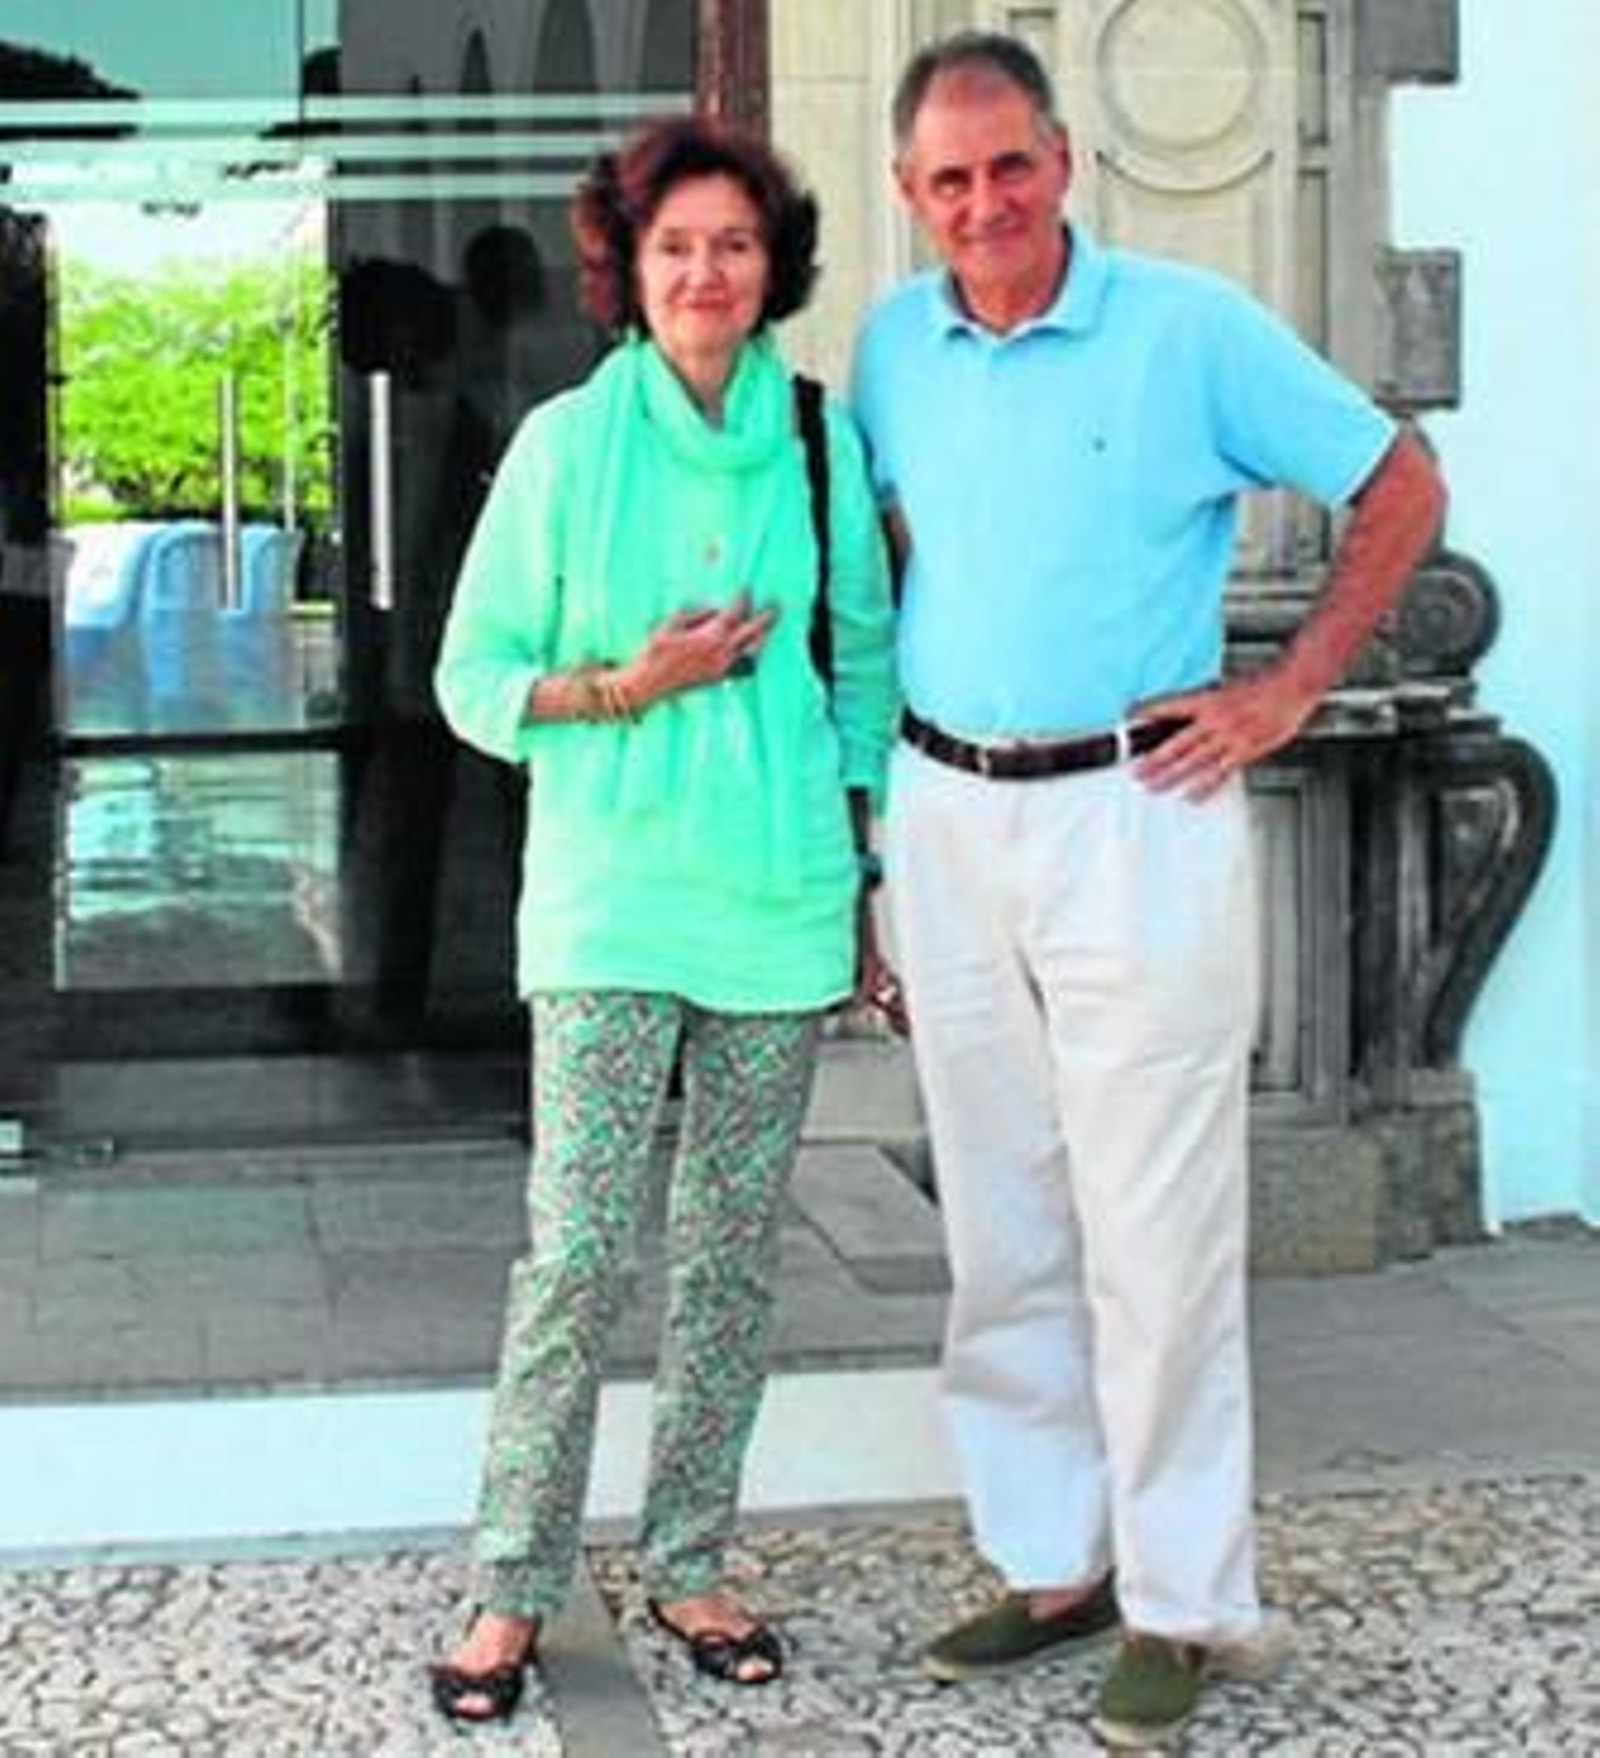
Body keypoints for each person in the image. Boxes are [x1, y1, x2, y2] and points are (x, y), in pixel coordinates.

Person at [851, 31, 1446, 1751]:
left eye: (1009, 165)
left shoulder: (1189, 328)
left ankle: (1186, 1601)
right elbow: (897, 563)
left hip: (1135, 808)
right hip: (949, 809)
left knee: (1157, 1225)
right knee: (1001, 1209)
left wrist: (1291, 688)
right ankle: (1056, 1565)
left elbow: (1398, 480)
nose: (984, 202)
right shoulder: (890, 349)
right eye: (950, 178)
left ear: (1063, 162)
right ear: (908, 193)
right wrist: (874, 847)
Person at [426, 118, 898, 1723]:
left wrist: (868, 876)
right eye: (676, 245)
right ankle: (511, 1580)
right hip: (611, 908)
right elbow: (473, 679)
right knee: (575, 1258)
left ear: (776, 268)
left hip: (778, 904)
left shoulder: (820, 442)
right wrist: (634, 683)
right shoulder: (565, 446)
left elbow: (861, 668)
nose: (707, 272)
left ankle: (691, 1556)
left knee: (729, 1259)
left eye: (735, 245)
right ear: (628, 267)